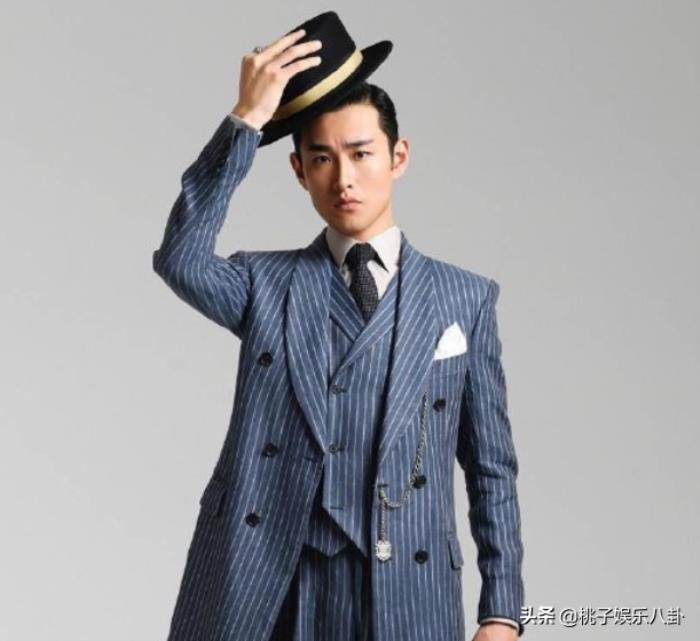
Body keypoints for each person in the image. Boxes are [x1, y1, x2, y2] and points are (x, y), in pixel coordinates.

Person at [153, 11, 525, 641]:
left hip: (407, 589)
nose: (344, 178)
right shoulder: (264, 284)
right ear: (299, 171)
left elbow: (491, 469)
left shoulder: (464, 297)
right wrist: (245, 120)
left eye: (361, 154)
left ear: (398, 156)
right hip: (273, 584)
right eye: (321, 158)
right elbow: (181, 259)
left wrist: (502, 611)